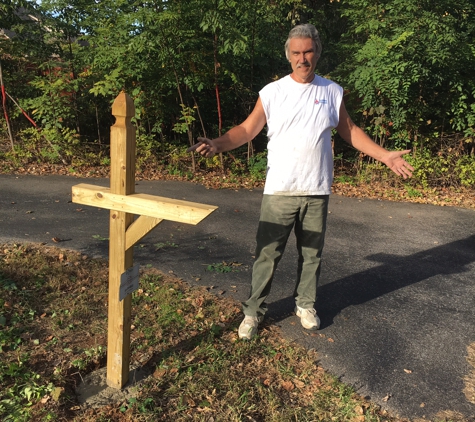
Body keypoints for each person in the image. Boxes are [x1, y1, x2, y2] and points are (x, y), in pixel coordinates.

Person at [188, 24, 414, 340]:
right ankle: (253, 313)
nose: (302, 58)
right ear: (288, 55)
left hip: (317, 189)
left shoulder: (331, 91)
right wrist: (217, 143)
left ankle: (305, 305)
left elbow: (350, 131)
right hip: (280, 189)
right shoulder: (273, 92)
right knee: (267, 254)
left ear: (317, 53)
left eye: (308, 51)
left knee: (311, 253)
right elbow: (246, 130)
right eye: (296, 53)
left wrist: (385, 156)